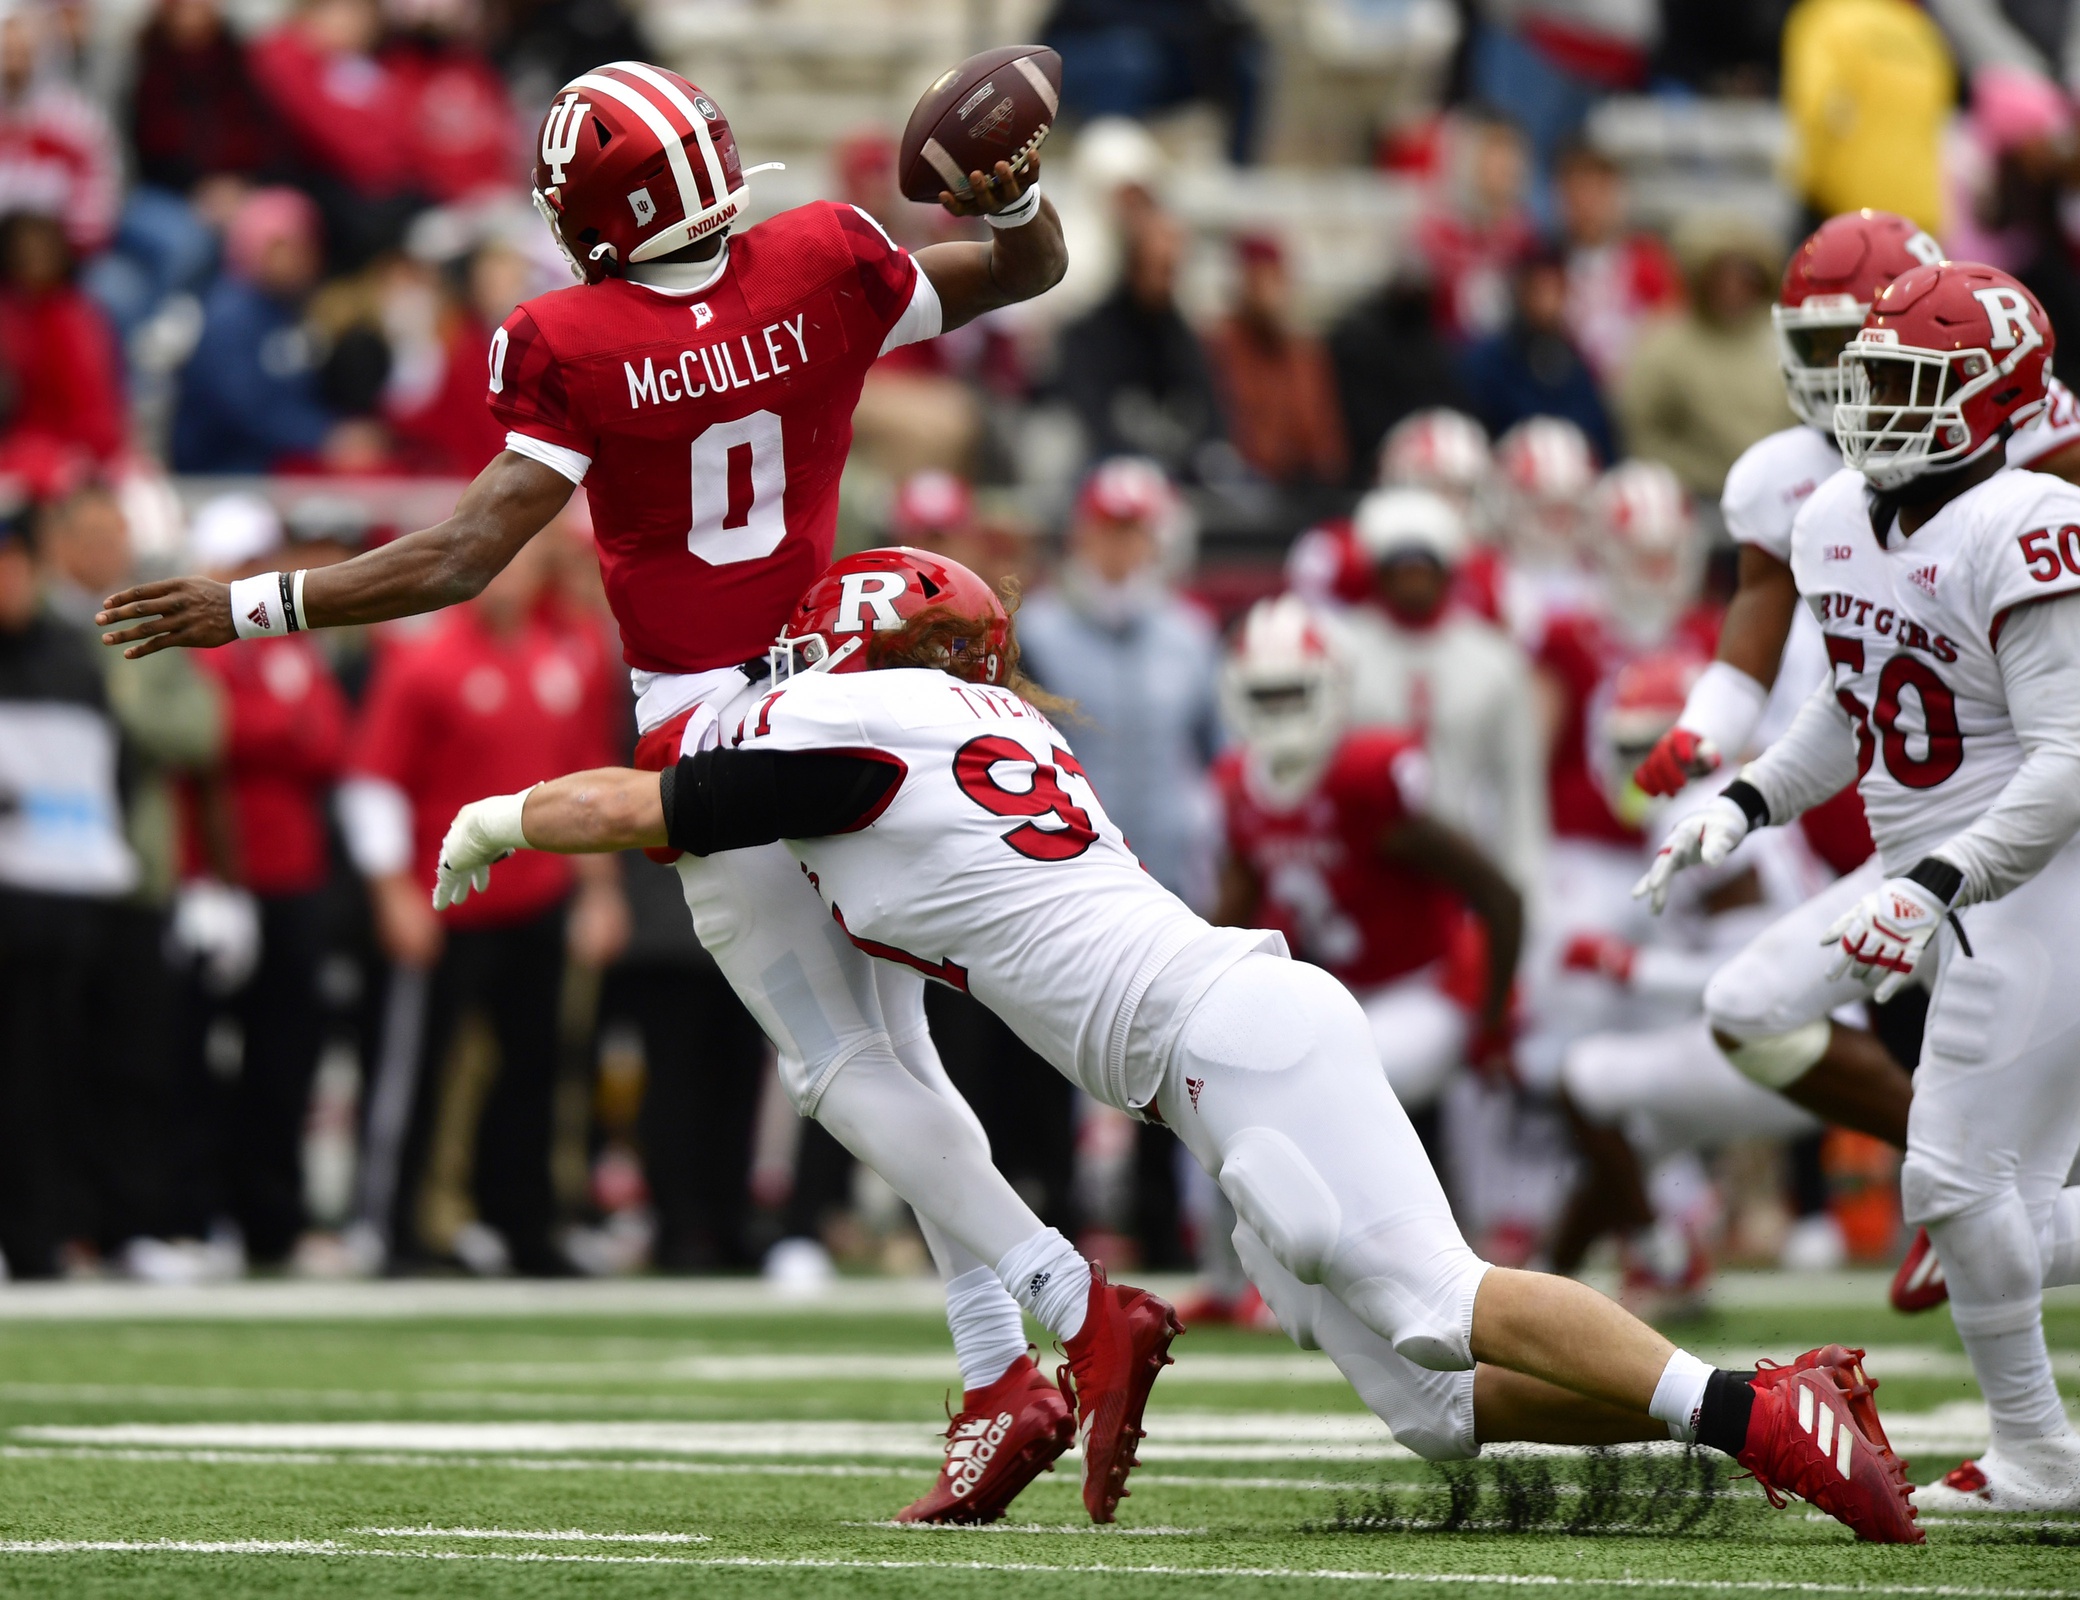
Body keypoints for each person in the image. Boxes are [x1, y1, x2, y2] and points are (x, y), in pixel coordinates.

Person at [96, 61, 1163, 1530]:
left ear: (595, 218)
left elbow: (459, 556)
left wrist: (256, 604)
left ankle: (1066, 1301)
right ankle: (997, 1382)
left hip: (712, 725)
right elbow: (1031, 268)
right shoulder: (826, 256)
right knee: (901, 1051)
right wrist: (1016, 194)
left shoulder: (569, 338)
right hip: (839, 680)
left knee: (837, 1067)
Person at [437, 544, 1925, 1546]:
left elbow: (650, 809)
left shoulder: (860, 715)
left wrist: (499, 816)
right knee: (1434, 1413)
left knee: (1440, 1296)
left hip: (1229, 1045)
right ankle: (1754, 1403)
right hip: (1219, 1050)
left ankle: (1758, 1418)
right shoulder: (964, 722)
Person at [1638, 261, 2080, 1512]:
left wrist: (1942, 876)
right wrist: (1741, 801)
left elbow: (2069, 758)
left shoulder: (2026, 522)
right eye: (1867, 376)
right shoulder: (1834, 512)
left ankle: (2039, 1453)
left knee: (1949, 1191)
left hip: (2036, 877)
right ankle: (2039, 1450)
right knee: (1760, 1006)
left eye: (1907, 383)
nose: (1873, 403)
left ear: (1995, 402)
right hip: (1927, 873)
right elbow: (1852, 706)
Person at [1213, 595, 1521, 1114]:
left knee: (1333, 1087)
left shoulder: (1366, 776)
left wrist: (1493, 1023)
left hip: (1421, 987)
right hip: (1329, 996)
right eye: (1267, 695)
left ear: (1331, 686)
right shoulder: (1238, 786)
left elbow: (1500, 896)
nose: (1282, 710)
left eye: (1295, 692)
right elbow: (1229, 928)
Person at [179, 494, 350, 1271]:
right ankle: (199, 1211)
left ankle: (272, 1221)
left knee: (286, 1057)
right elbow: (212, 736)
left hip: (294, 876)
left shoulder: (290, 644)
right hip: (218, 876)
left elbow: (329, 740)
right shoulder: (203, 645)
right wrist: (281, 731)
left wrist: (271, 732)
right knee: (197, 1053)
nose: (259, 574)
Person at [0, 506, 137, 1278]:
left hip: (56, 910)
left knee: (50, 1077)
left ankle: (40, 1234)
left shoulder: (72, 660)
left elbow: (104, 777)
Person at [1337, 485, 1547, 892]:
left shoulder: (1493, 660)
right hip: (1363, 861)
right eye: (1401, 569)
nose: (1414, 582)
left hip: (1463, 860)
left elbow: (1517, 783)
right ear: (1378, 573)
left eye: (1424, 568)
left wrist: (1521, 881)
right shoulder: (1341, 651)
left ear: (1447, 573)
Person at [170, 188, 365, 474]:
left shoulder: (291, 307)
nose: (297, 259)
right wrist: (324, 437)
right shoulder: (230, 316)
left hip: (279, 465)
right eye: (282, 247)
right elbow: (245, 410)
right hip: (224, 473)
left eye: (305, 246)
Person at [1616, 214, 1794, 500]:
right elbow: (1641, 428)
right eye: (1721, 275)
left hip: (1773, 494)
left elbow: (1799, 424)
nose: (1732, 287)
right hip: (1692, 498)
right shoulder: (1665, 344)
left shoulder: (1782, 341)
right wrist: (1692, 474)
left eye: (1744, 277)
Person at [1055, 205, 1226, 482]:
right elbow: (1088, 418)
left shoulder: (1182, 340)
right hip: (1107, 471)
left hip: (1176, 475)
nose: (1166, 281)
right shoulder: (1088, 336)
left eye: (1172, 269)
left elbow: (1209, 417)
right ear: (1133, 264)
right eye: (1158, 267)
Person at [1201, 233, 1345, 488]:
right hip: (1243, 485)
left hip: (1303, 486)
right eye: (1260, 280)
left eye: (1276, 279)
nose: (1270, 292)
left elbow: (1324, 442)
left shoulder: (1305, 355)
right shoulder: (1218, 348)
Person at [1457, 244, 1616, 462]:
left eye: (1556, 291)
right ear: (1520, 294)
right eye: (1539, 290)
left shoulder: (1575, 363)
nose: (1547, 302)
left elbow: (1599, 435)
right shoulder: (1487, 362)